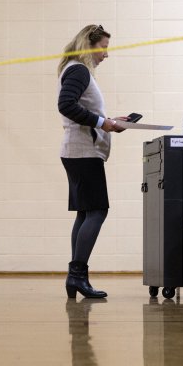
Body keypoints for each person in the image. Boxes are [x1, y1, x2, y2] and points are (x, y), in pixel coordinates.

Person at [57, 24, 127, 299]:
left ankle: (76, 278)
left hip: (78, 151)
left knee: (86, 213)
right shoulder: (78, 69)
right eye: (103, 48)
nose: (105, 54)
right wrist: (103, 123)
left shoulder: (76, 70)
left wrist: (110, 121)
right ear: (90, 44)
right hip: (82, 152)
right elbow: (66, 105)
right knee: (97, 211)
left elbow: (80, 107)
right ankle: (77, 275)